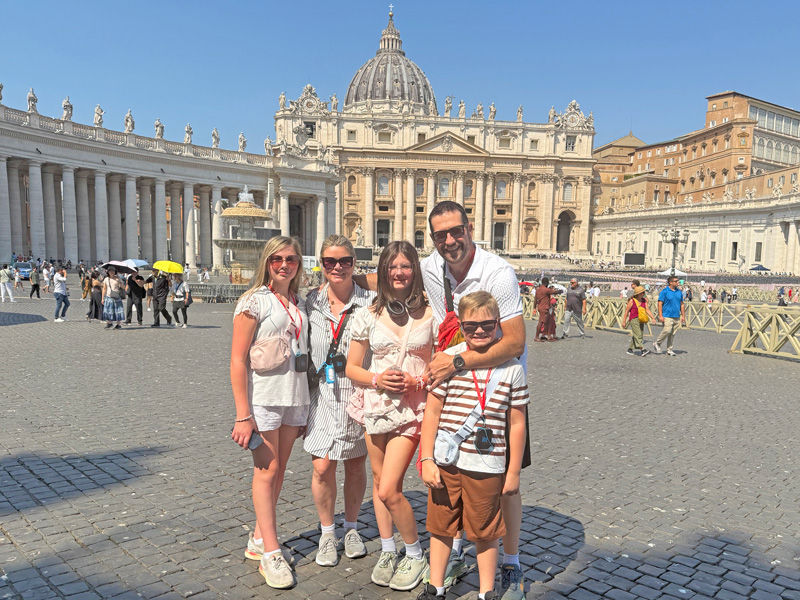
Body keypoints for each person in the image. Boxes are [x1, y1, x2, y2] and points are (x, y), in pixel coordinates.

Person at [418, 291, 529, 600]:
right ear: (461, 327)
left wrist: (514, 471)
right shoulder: (448, 362)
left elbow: (518, 423)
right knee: (441, 527)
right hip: (447, 461)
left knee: (486, 531)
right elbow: (433, 413)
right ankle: (435, 586)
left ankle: (486, 592)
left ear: (499, 325)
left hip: (488, 464)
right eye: (471, 327)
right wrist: (426, 458)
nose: (479, 331)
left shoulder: (512, 369)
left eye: (488, 325)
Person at [346, 241, 434, 590]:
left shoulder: (432, 313)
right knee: (381, 484)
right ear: (383, 272)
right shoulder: (367, 314)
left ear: (415, 271)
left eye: (406, 266)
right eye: (392, 267)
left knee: (388, 488)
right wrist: (377, 378)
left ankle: (414, 554)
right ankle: (387, 548)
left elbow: (440, 364)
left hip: (413, 410)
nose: (399, 273)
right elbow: (351, 367)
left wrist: (419, 379)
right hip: (376, 406)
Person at [230, 236, 310, 590]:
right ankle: (271, 553)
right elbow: (236, 360)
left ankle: (260, 538)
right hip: (263, 398)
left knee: (279, 472)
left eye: (290, 259)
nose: (284, 265)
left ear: (298, 264)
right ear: (266, 262)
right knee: (267, 470)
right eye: (276, 259)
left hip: (295, 396)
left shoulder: (298, 300)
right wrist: (242, 414)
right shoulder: (253, 301)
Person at [301, 236, 374, 571]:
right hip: (321, 394)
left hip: (356, 394)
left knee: (355, 465)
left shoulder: (371, 301)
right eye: (330, 262)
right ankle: (327, 531)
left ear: (353, 263)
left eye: (344, 261)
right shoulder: (309, 301)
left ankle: (353, 527)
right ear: (322, 264)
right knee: (322, 466)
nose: (338, 267)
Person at [654, 276, 686, 356]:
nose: (678, 283)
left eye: (678, 281)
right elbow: (660, 303)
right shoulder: (664, 291)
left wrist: (683, 316)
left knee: (672, 333)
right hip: (667, 315)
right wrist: (660, 315)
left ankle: (669, 349)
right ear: (671, 282)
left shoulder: (679, 292)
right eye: (676, 281)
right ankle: (657, 343)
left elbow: (682, 304)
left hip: (676, 315)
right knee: (667, 330)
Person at [621, 286, 654, 356]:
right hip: (633, 319)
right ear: (638, 294)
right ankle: (642, 350)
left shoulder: (644, 300)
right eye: (642, 293)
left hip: (641, 319)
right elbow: (626, 311)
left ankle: (630, 349)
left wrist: (653, 318)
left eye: (643, 292)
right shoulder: (632, 301)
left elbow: (647, 309)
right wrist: (624, 321)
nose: (643, 294)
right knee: (638, 334)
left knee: (638, 334)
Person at [534, 277, 560, 342]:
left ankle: (547, 336)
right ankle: (537, 337)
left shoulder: (538, 290)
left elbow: (535, 299)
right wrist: (560, 291)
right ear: (546, 282)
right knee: (541, 322)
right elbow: (554, 292)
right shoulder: (546, 290)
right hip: (545, 307)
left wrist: (534, 307)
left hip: (540, 307)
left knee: (547, 322)